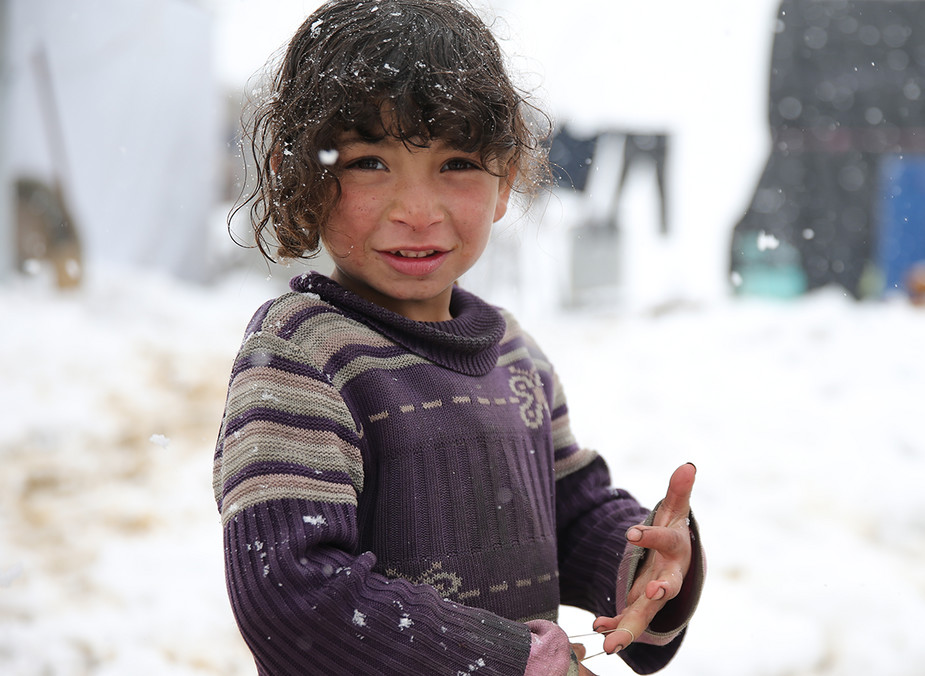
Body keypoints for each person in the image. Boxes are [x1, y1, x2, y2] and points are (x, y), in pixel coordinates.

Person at [211, 1, 704, 674]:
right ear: (301, 171)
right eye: (369, 163)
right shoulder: (304, 357)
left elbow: (565, 515)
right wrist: (508, 662)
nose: (417, 211)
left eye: (459, 163)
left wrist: (647, 563)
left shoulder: (515, 356)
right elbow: (294, 594)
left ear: (506, 178)